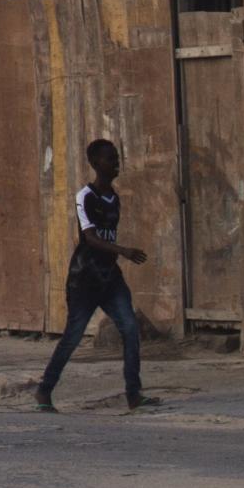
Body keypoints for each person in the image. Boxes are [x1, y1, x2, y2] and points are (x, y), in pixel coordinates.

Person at [33, 138, 153, 414]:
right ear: (96, 164)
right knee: (72, 337)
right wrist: (123, 250)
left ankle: (133, 393)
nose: (116, 163)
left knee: (130, 328)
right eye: (111, 159)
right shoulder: (85, 196)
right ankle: (44, 389)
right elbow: (91, 238)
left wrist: (117, 255)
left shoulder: (115, 198)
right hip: (85, 278)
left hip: (110, 277)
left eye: (117, 158)